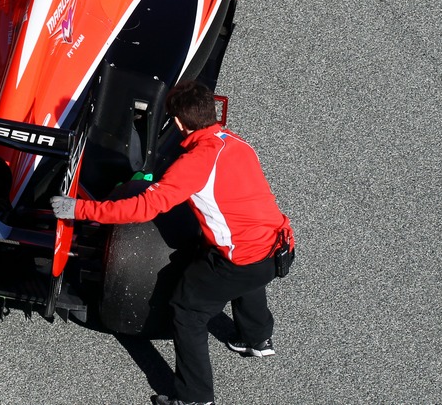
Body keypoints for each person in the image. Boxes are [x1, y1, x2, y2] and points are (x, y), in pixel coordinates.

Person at [51, 80, 295, 405]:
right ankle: (258, 338)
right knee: (249, 267)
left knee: (188, 310)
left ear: (179, 123)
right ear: (212, 110)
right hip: (279, 247)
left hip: (240, 261)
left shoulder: (193, 164)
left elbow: (142, 207)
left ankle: (195, 397)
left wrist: (79, 208)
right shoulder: (236, 143)